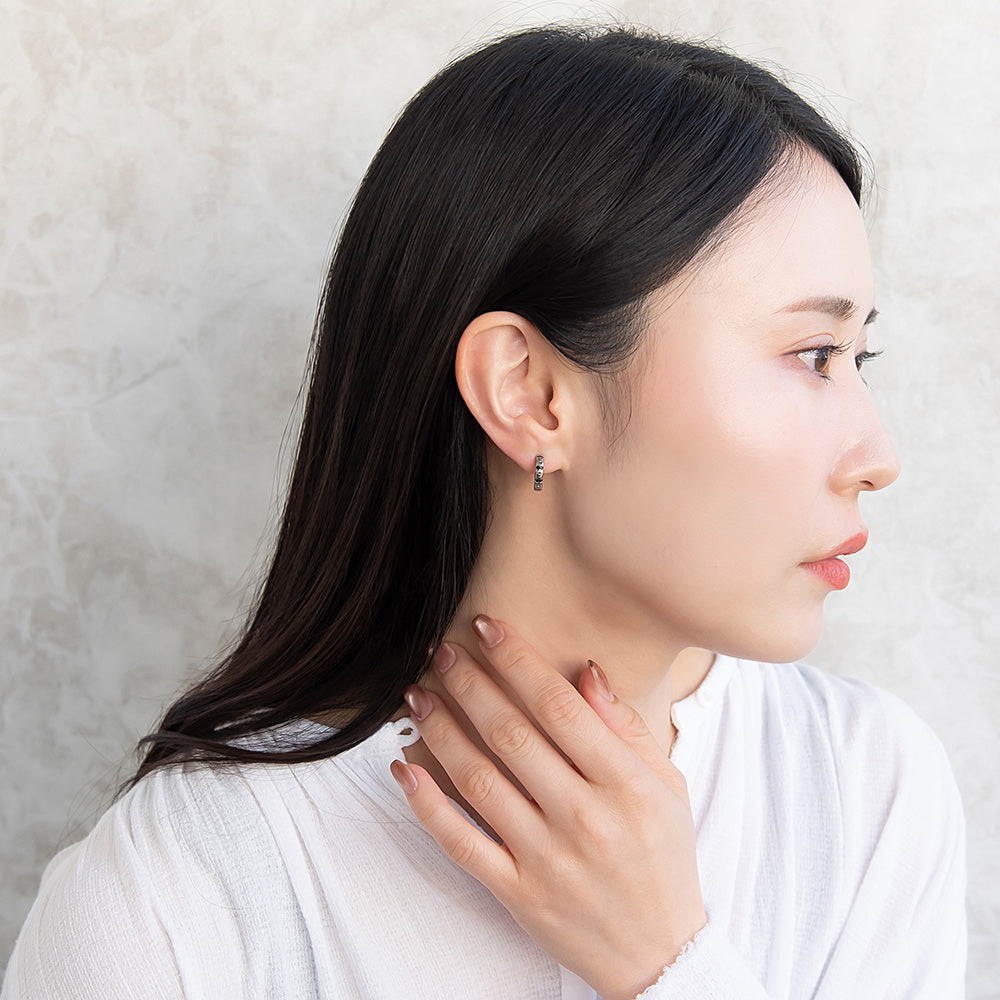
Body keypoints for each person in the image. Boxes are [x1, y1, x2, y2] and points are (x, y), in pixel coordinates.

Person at [2, 23, 966, 1000]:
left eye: (860, 358)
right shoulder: (176, 897)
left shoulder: (865, 791)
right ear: (529, 393)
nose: (877, 458)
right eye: (812, 356)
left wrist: (666, 962)